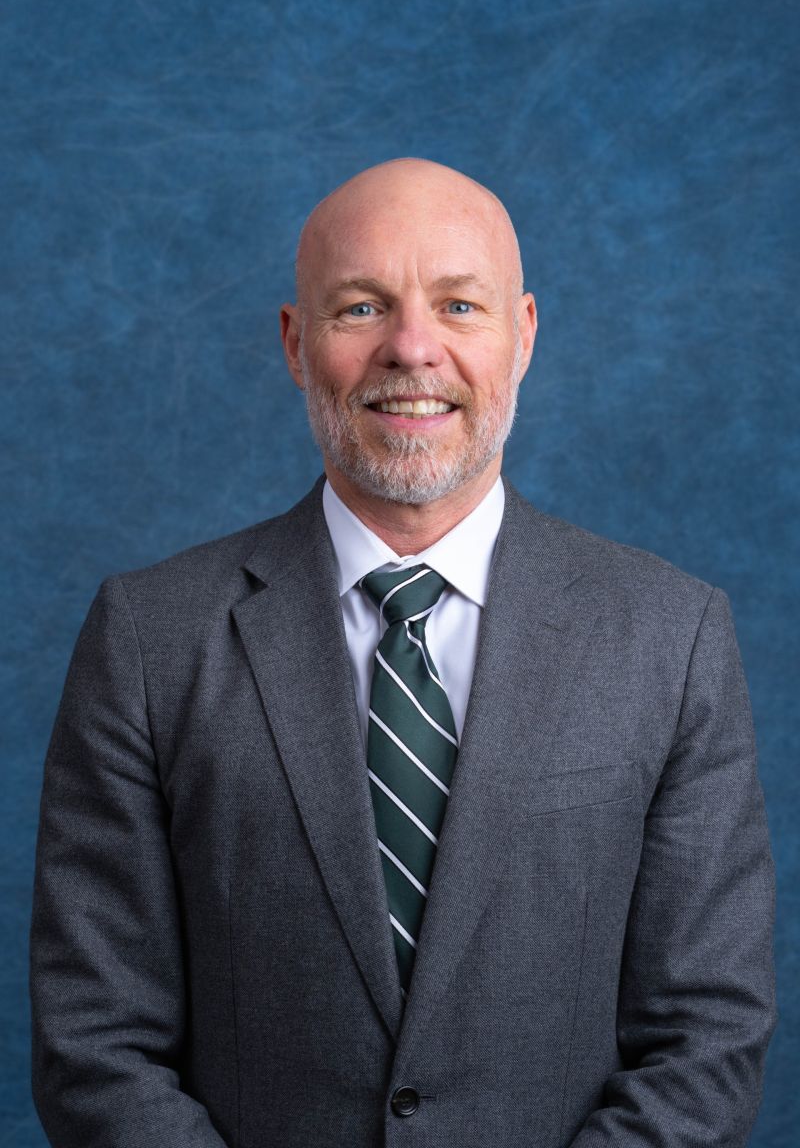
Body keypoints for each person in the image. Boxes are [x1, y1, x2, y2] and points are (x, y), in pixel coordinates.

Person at [30, 158, 776, 1148]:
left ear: (523, 338)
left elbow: (706, 1041)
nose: (411, 348)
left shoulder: (668, 638)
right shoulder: (148, 640)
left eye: (459, 305)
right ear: (297, 345)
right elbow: (95, 1046)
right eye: (360, 307)